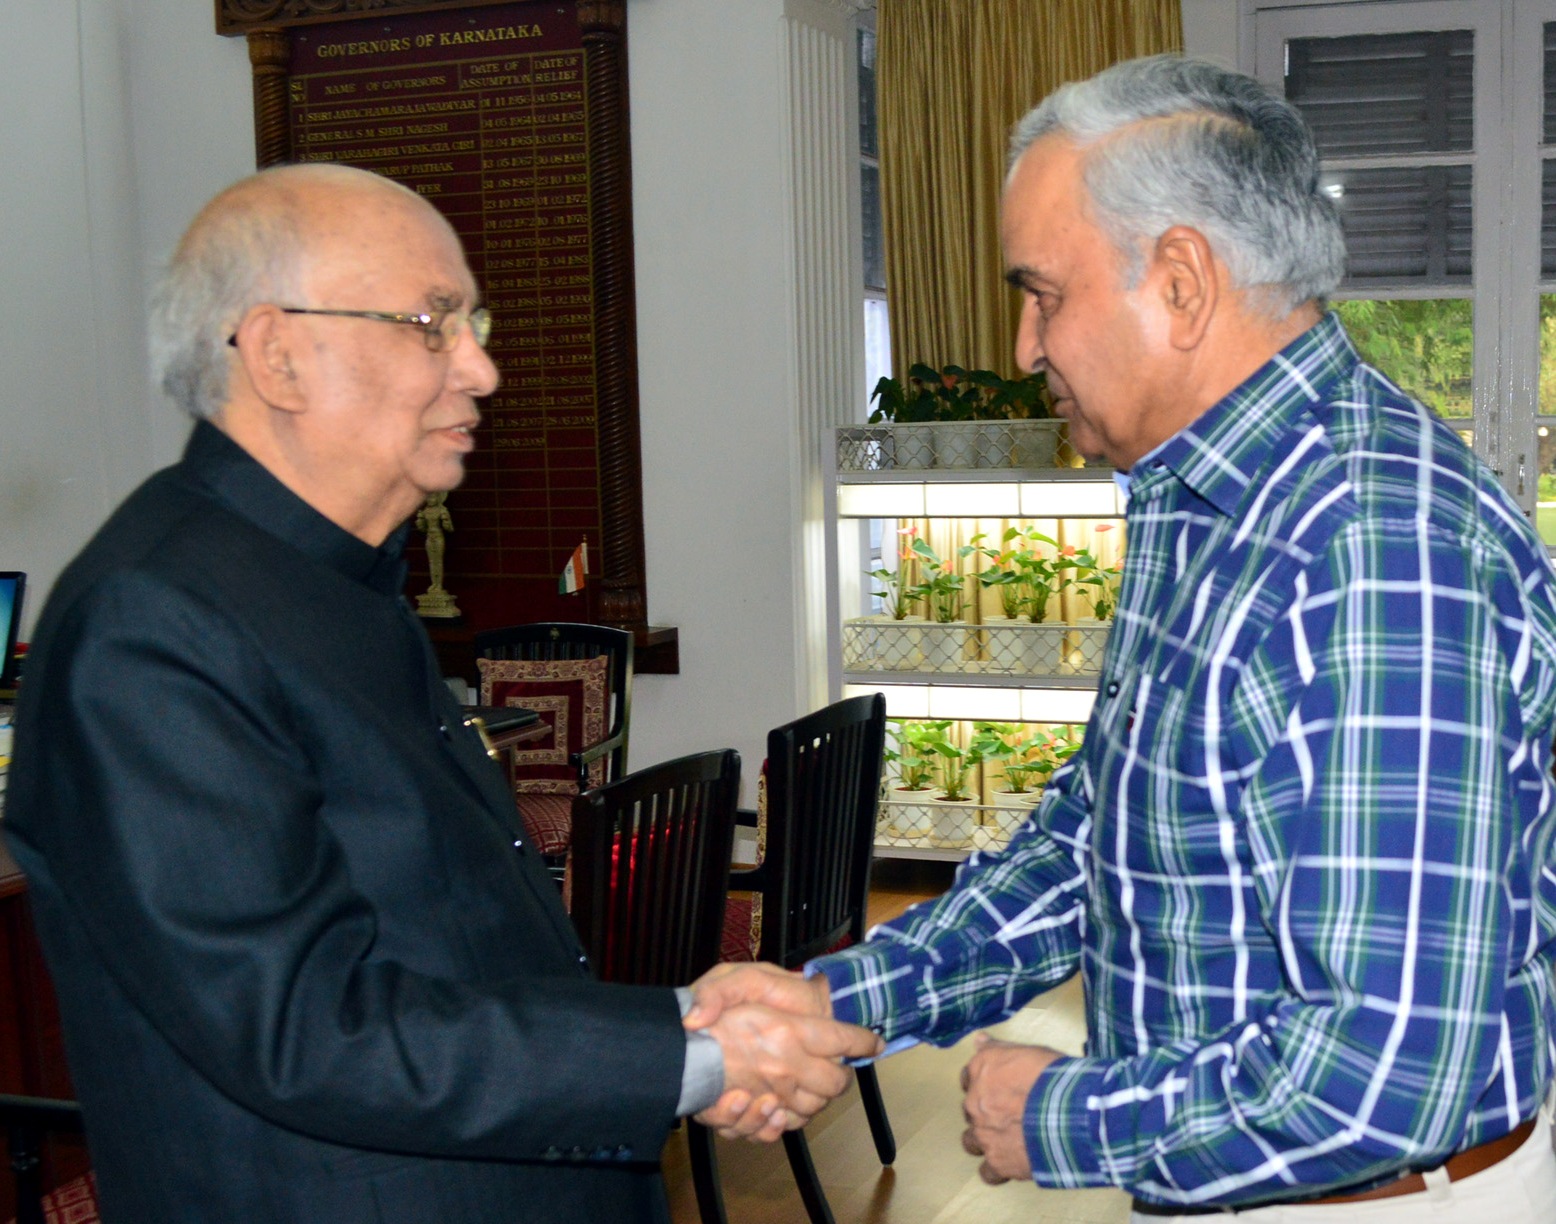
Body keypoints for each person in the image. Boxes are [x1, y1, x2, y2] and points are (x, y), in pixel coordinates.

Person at [690, 55, 1556, 1219]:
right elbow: (1101, 838)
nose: (1020, 345)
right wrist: (853, 998)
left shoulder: (1367, 547)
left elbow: (1381, 1079)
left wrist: (1059, 1117)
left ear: (1181, 282)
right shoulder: (1198, 496)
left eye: (1043, 292)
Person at [2, 162, 878, 1223]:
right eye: (432, 321)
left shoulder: (331, 577)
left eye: (474, 321)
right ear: (277, 353)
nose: (481, 369)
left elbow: (445, 938)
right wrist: (683, 1057)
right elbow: (303, 1027)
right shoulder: (154, 623)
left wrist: (681, 1018)